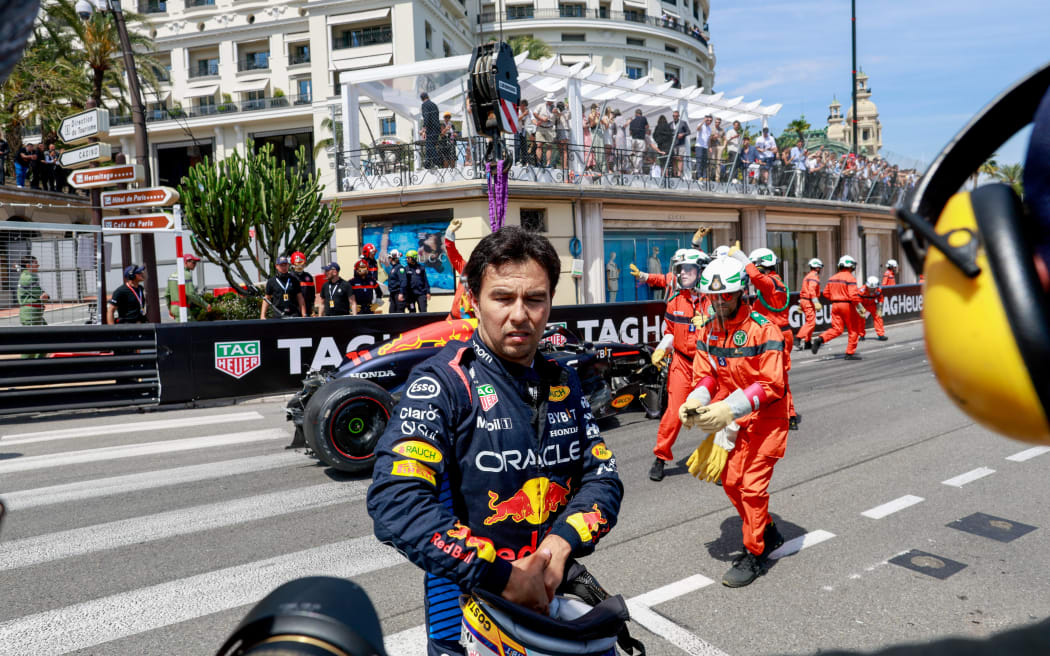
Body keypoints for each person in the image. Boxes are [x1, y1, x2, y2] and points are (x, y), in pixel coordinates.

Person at [366, 226, 623, 656]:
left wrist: (560, 545)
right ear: (473, 299)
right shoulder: (443, 384)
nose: (520, 315)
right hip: (468, 603)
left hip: (549, 592)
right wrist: (501, 575)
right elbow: (395, 501)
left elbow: (603, 477)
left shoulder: (563, 381)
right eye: (503, 298)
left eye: (534, 299)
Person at [679, 254, 788, 587]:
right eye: (713, 297)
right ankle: (766, 530)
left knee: (752, 488)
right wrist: (695, 400)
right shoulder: (709, 330)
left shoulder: (763, 329)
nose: (719, 302)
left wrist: (730, 407)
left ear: (741, 292)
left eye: (725, 295)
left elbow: (771, 384)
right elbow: (707, 374)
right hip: (735, 422)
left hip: (767, 420)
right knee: (730, 482)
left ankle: (754, 554)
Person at [647, 249, 710, 482]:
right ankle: (660, 458)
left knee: (719, 413)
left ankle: (722, 457)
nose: (683, 274)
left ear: (701, 273)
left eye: (689, 270)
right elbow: (671, 333)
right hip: (682, 363)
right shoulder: (674, 302)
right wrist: (662, 348)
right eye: (681, 269)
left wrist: (711, 321)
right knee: (673, 413)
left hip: (708, 364)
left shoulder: (715, 302)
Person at [731, 247, 799, 430]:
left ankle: (788, 414)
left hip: (776, 336)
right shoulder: (772, 284)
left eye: (755, 265)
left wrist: (742, 259)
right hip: (769, 335)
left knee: (777, 378)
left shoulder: (771, 283)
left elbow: (757, 278)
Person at [810, 255, 863, 359]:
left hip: (835, 305)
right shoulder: (850, 278)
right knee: (853, 330)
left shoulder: (832, 278)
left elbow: (825, 293)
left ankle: (820, 339)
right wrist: (860, 307)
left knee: (837, 329)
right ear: (850, 266)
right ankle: (850, 353)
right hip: (847, 305)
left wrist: (835, 298)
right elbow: (853, 296)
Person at [443, 219, 474, 319]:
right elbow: (453, 254)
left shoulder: (488, 277)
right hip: (452, 319)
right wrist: (449, 233)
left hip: (470, 324)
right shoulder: (466, 269)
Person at [18, 255, 48, 352]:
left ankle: (35, 363)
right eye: (35, 263)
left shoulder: (27, 275)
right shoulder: (28, 278)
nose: (38, 265)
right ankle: (27, 364)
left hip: (34, 313)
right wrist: (45, 296)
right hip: (30, 314)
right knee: (36, 343)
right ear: (28, 266)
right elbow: (40, 295)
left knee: (45, 339)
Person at [165, 253, 207, 320]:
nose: (195, 264)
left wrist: (170, 308)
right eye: (193, 262)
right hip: (183, 308)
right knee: (194, 329)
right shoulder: (186, 275)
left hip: (174, 308)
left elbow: (167, 294)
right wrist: (205, 305)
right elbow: (190, 293)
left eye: (195, 262)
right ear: (185, 262)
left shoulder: (172, 276)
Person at [796, 258, 824, 350]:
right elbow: (811, 290)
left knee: (809, 322)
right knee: (811, 323)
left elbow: (804, 290)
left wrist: (801, 304)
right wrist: (816, 302)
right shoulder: (813, 276)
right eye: (819, 267)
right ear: (816, 268)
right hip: (809, 301)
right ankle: (798, 338)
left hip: (805, 300)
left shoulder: (807, 276)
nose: (820, 269)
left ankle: (807, 342)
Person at [858, 275, 887, 341]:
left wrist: (879, 307)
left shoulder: (878, 291)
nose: (872, 290)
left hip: (872, 305)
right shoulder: (861, 291)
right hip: (864, 306)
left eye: (873, 288)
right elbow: (857, 300)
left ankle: (881, 335)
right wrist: (860, 309)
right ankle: (861, 335)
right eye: (870, 288)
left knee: (878, 317)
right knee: (861, 319)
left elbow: (880, 298)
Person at [289, 251, 316, 316]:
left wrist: (312, 309)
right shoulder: (289, 277)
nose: (299, 266)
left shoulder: (308, 277)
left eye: (301, 263)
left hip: (307, 310)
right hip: (293, 312)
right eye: (297, 263)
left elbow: (312, 295)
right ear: (293, 264)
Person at [534, 95, 556, 167]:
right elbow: (535, 113)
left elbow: (557, 118)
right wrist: (541, 119)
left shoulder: (554, 108)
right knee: (539, 145)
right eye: (549, 100)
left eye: (551, 101)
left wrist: (556, 113)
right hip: (541, 128)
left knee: (549, 146)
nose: (550, 102)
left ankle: (548, 164)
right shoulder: (540, 106)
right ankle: (538, 162)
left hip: (550, 128)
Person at [421, 92, 440, 169]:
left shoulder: (424, 105)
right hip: (436, 128)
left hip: (431, 128)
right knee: (430, 145)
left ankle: (437, 162)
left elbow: (426, 116)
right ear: (428, 96)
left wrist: (424, 128)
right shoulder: (434, 105)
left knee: (430, 146)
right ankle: (427, 164)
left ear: (422, 99)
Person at [628, 109, 648, 174]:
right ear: (641, 113)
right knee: (639, 155)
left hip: (633, 139)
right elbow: (647, 126)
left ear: (636, 114)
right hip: (640, 140)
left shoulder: (632, 121)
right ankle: (637, 170)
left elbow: (630, 132)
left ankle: (634, 169)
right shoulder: (643, 118)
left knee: (634, 154)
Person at [695, 115, 712, 180]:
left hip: (705, 147)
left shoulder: (709, 128)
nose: (709, 121)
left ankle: (704, 176)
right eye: (708, 120)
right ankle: (699, 176)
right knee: (699, 161)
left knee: (704, 162)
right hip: (699, 146)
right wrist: (703, 121)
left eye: (710, 120)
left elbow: (709, 139)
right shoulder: (701, 124)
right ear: (705, 119)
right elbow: (698, 129)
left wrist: (709, 147)